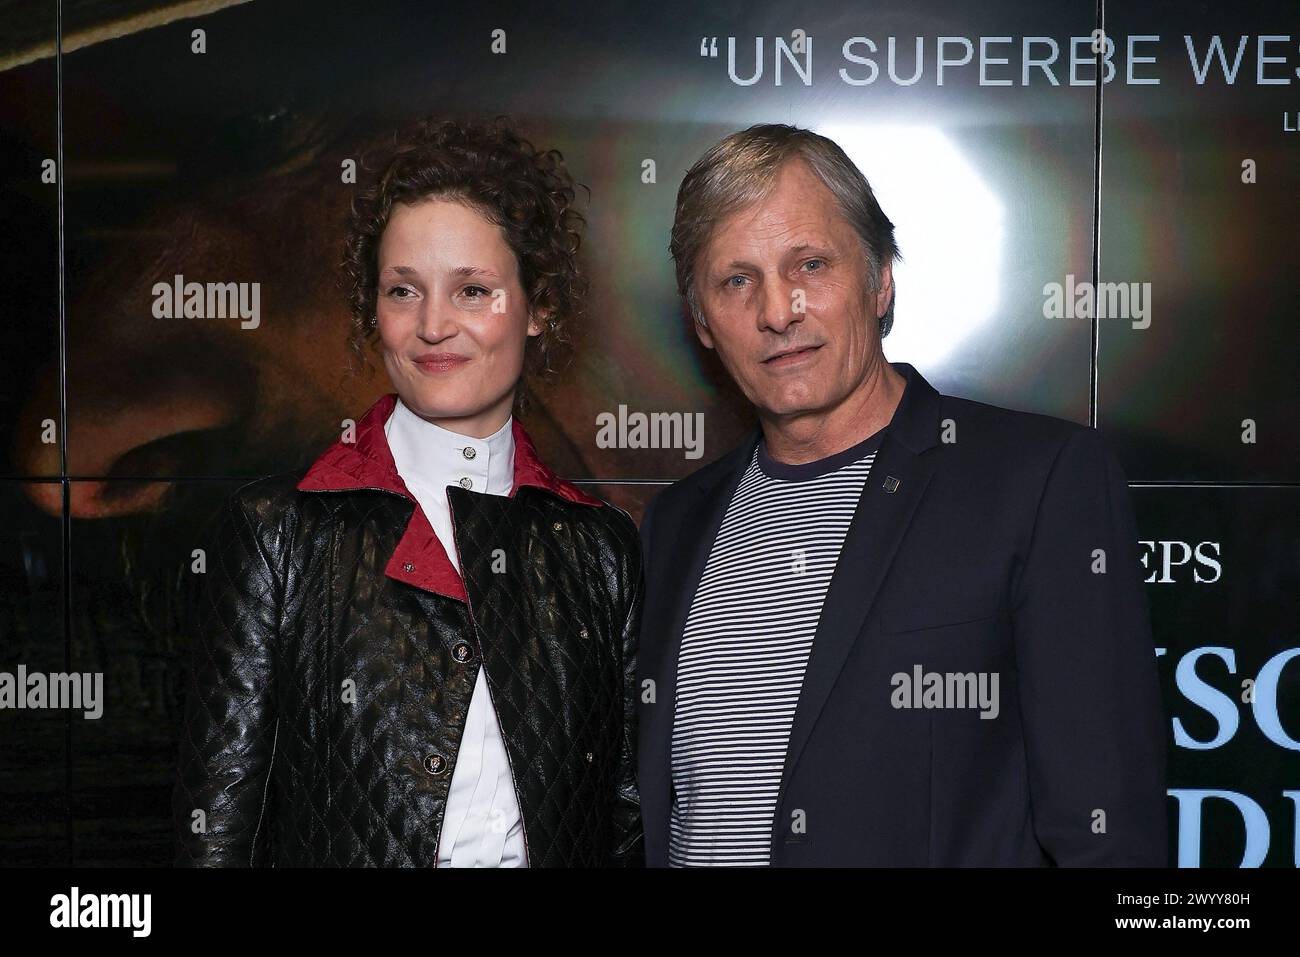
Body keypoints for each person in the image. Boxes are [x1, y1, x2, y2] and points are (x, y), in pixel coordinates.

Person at [636, 123, 1167, 866]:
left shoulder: (1038, 482)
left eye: (810, 264)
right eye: (736, 280)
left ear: (880, 278)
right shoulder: (677, 522)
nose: (777, 310)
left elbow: (1110, 839)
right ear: (701, 322)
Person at [173, 115, 642, 867]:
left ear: (540, 306)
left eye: (473, 289)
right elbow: (216, 830)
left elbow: (625, 822)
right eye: (403, 289)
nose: (432, 325)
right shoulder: (277, 533)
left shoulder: (599, 549)